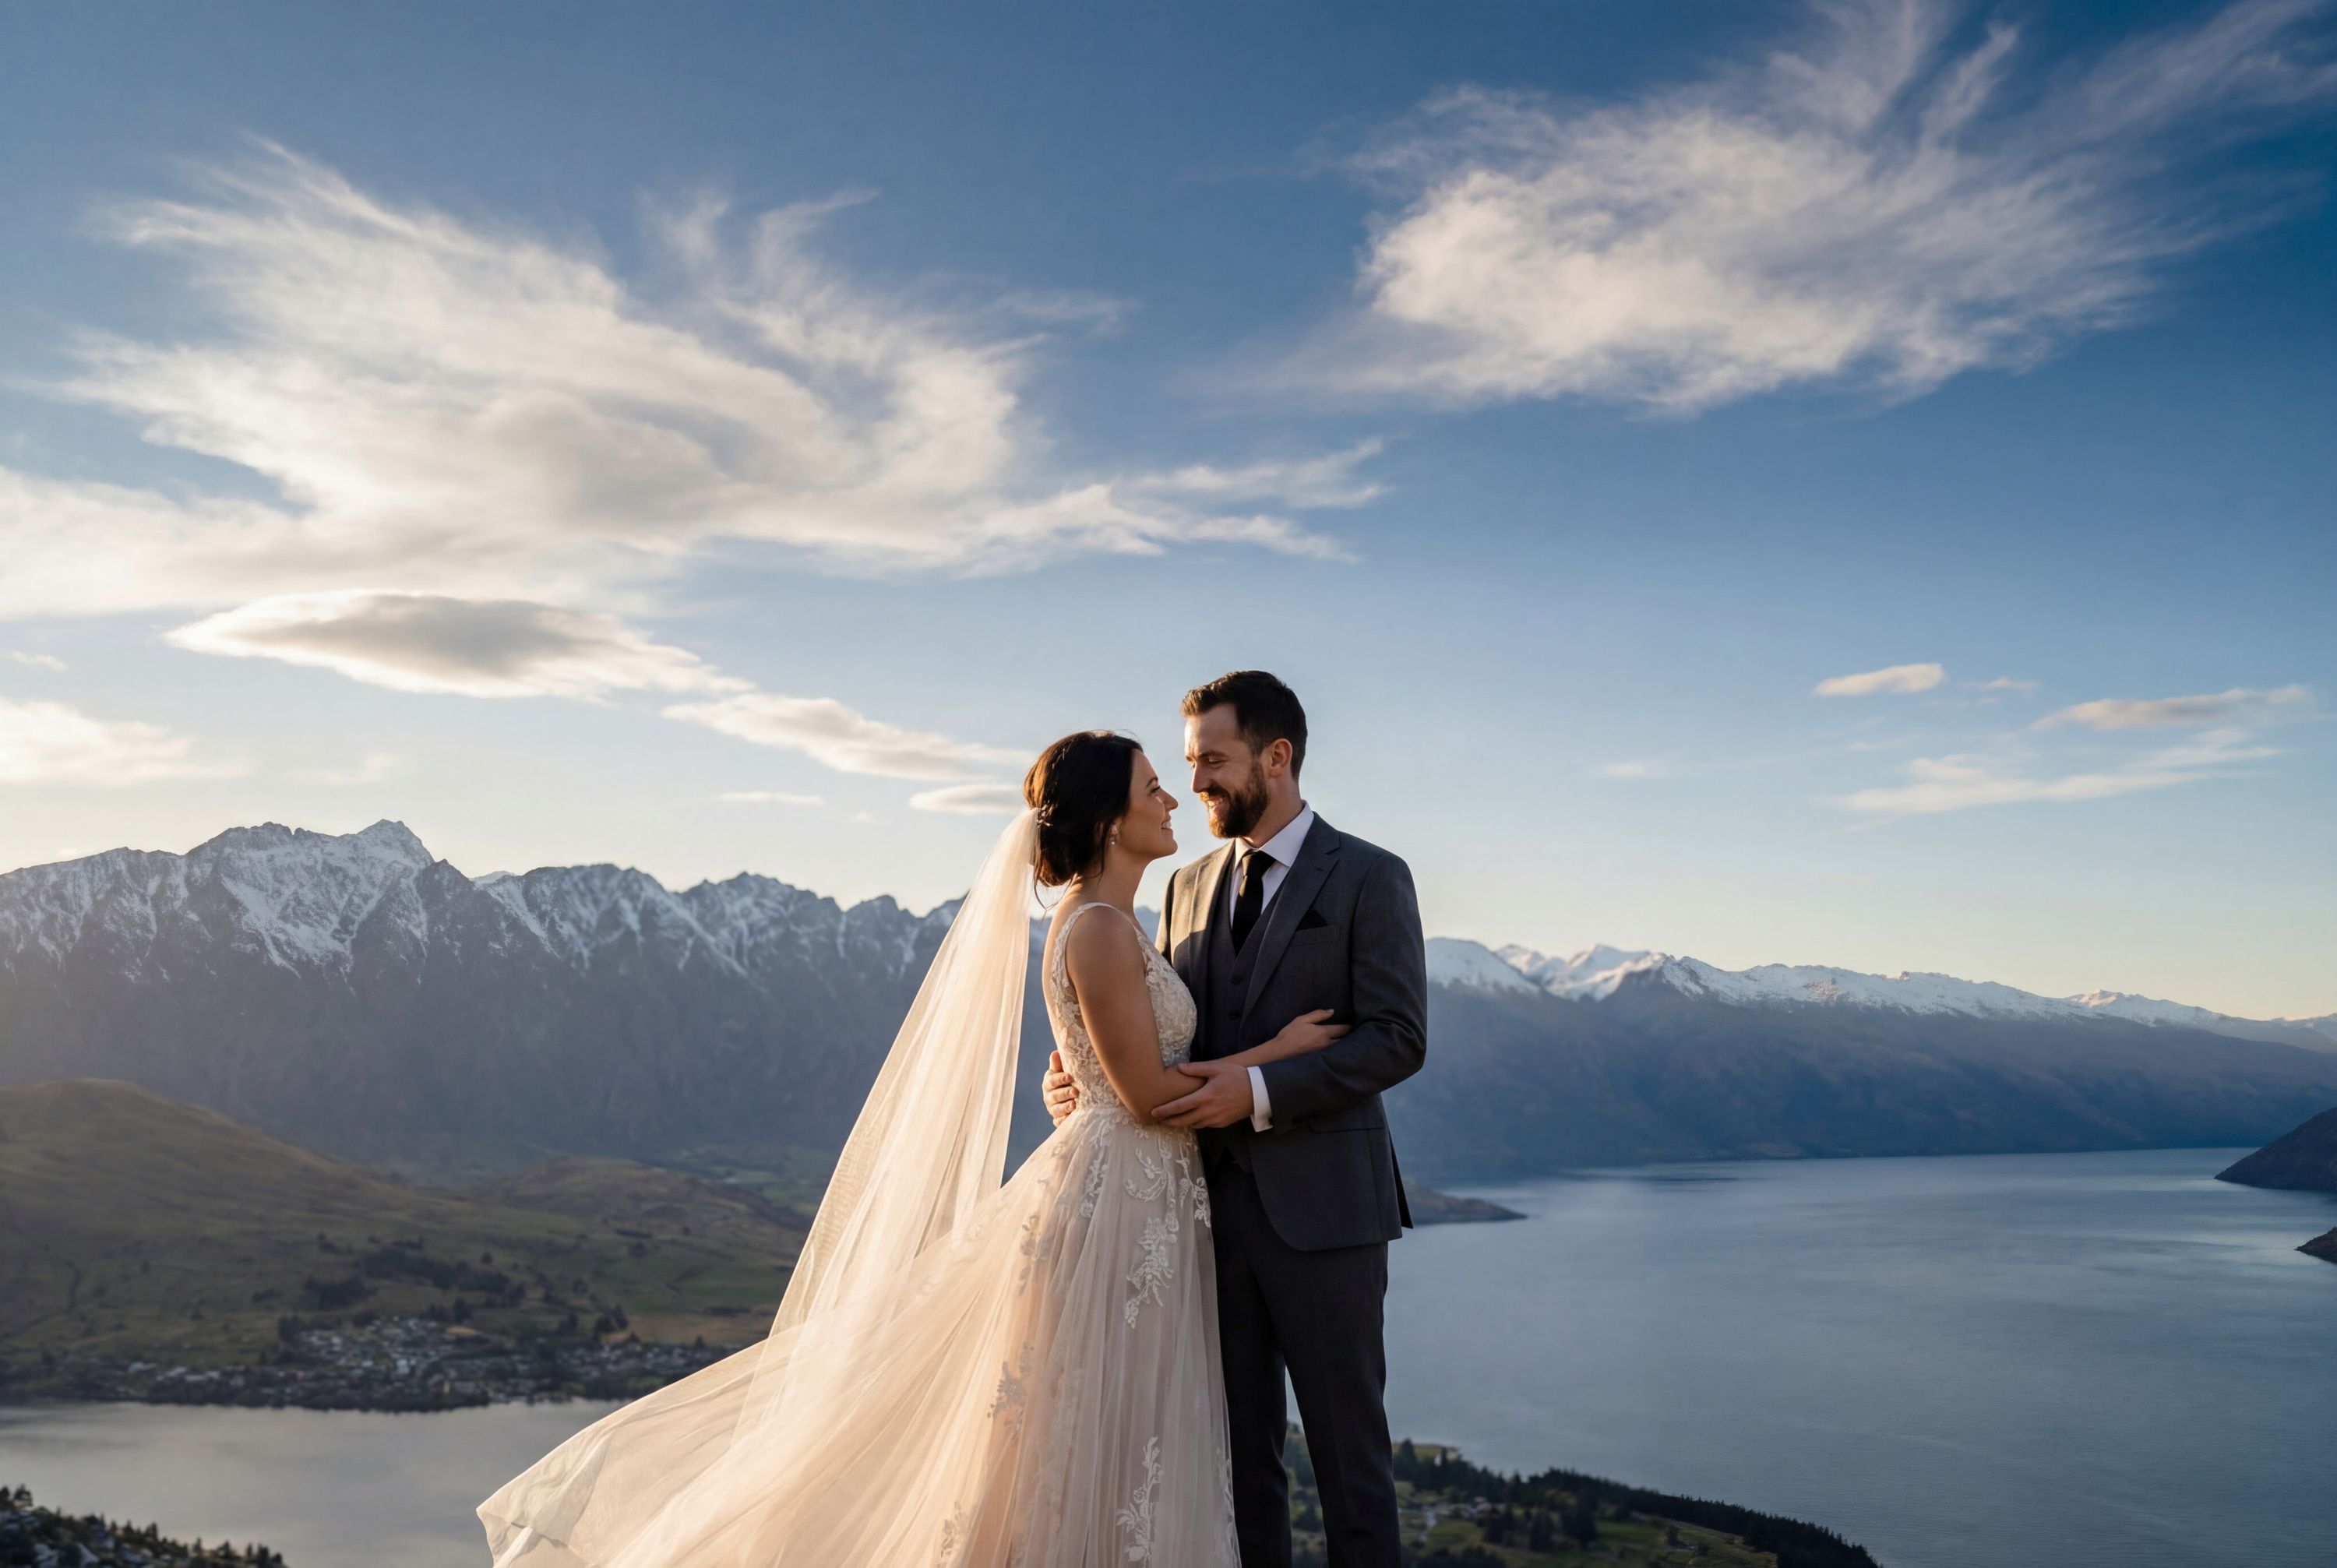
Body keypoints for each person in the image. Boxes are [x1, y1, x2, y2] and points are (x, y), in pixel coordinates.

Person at [478, 725, 1354, 1568]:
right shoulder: (1092, 929)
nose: (1172, 797)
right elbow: (1148, 1095)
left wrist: (1094, 1086)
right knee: (1090, 1428)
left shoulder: (1123, 926)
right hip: (1118, 1203)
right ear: (1105, 822)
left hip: (1145, 1193)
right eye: (1150, 786)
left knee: (1122, 1432)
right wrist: (1273, 1057)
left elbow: (1129, 1071)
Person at [1044, 671, 1429, 1568]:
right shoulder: (1182, 886)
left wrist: (1259, 1092)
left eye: (1212, 761)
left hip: (1326, 1216)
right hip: (1197, 1219)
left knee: (1351, 1468)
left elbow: (1397, 1039)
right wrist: (1072, 1082)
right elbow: (1143, 1040)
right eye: (1185, 764)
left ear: (1277, 756)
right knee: (1234, 1467)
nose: (1196, 782)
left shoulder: (1371, 876)